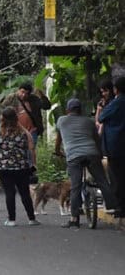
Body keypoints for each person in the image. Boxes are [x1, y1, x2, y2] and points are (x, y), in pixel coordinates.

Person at [55, 98, 119, 228]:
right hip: (92, 153)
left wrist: (57, 152)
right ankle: (113, 207)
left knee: (75, 186)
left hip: (74, 156)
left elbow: (58, 139)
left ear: (68, 110)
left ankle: (74, 218)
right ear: (80, 110)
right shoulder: (89, 122)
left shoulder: (62, 120)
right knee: (102, 181)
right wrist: (99, 154)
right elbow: (96, 139)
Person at [0, 107, 40, 227]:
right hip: (22, 167)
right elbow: (31, 148)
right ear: (16, 118)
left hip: (3, 168)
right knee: (24, 193)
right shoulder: (23, 133)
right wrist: (33, 163)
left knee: (9, 192)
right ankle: (31, 218)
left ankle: (11, 219)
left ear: (2, 119)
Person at [98, 76, 125, 217]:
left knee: (116, 177)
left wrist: (101, 109)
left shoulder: (117, 102)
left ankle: (120, 208)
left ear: (116, 89)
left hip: (115, 145)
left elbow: (101, 118)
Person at [0, 81, 51, 147]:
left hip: (32, 131)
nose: (23, 95)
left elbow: (46, 106)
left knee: (30, 151)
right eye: (22, 92)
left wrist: (41, 95)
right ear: (18, 90)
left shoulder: (33, 99)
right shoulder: (11, 98)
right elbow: (3, 110)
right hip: (16, 131)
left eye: (26, 93)